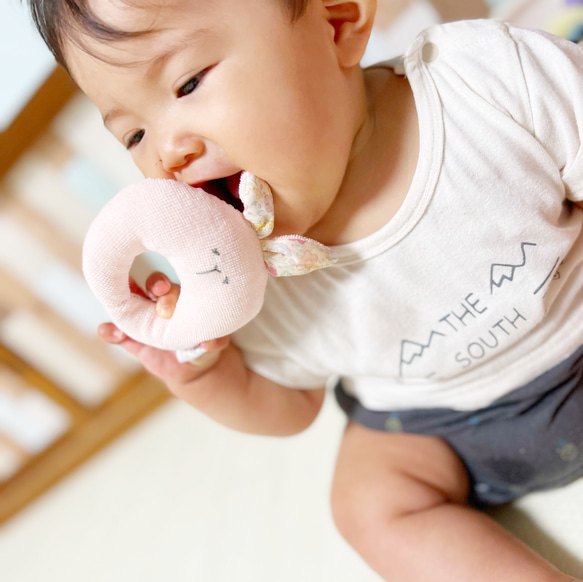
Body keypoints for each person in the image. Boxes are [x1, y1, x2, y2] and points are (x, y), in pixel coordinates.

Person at [27, 0, 583, 580]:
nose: (168, 153)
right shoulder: (244, 275)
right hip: (433, 418)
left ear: (337, 21)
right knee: (366, 503)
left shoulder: (485, 82)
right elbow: (291, 404)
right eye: (135, 134)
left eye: (187, 83)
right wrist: (207, 375)